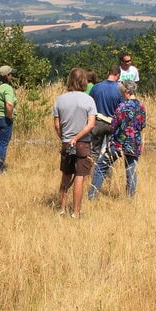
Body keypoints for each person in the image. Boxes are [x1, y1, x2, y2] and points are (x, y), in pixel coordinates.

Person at [89, 80, 146, 199]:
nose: (121, 94)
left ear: (126, 91)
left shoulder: (123, 106)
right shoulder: (141, 106)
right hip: (135, 142)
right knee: (131, 170)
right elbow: (142, 125)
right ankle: (130, 199)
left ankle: (92, 195)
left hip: (120, 141)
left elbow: (114, 124)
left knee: (101, 166)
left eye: (121, 91)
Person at [53, 67, 97, 218]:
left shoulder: (60, 99)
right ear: (84, 81)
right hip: (83, 143)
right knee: (79, 177)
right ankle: (76, 212)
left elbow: (57, 125)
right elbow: (91, 124)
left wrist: (65, 138)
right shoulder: (88, 100)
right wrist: (77, 138)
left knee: (65, 175)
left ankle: (62, 209)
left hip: (66, 142)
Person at [89, 65, 122, 167]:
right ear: (118, 75)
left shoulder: (96, 87)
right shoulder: (120, 90)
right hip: (112, 124)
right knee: (108, 152)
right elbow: (122, 109)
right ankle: (106, 177)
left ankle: (90, 175)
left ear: (108, 72)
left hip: (97, 122)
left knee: (94, 151)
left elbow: (90, 105)